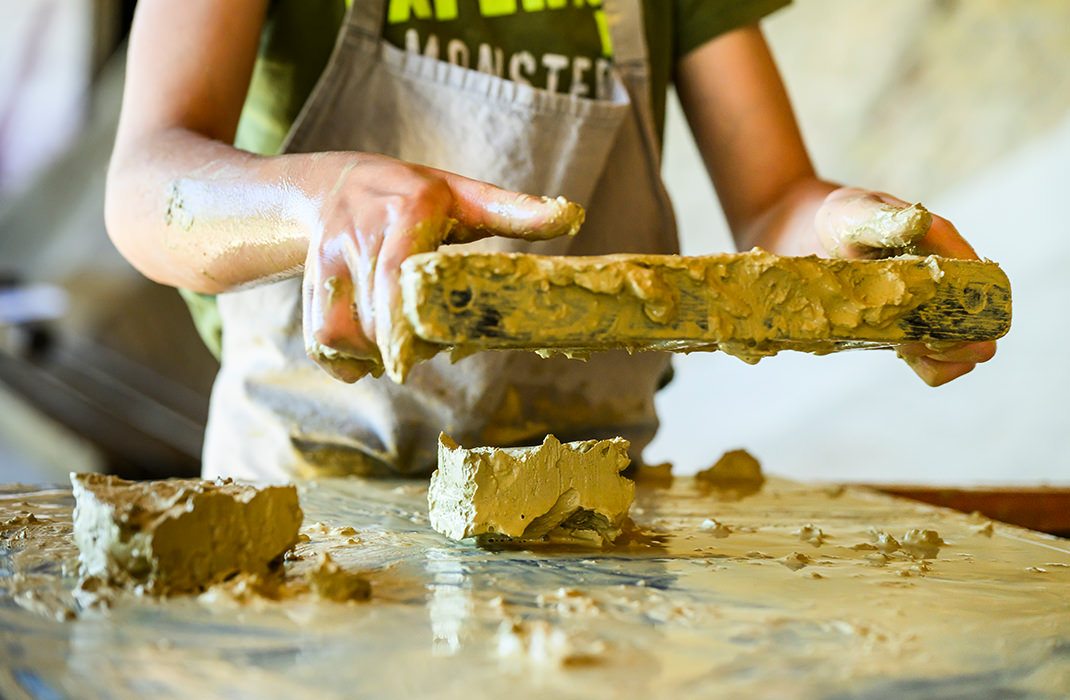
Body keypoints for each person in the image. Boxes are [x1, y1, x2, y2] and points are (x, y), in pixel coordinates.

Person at [104, 0, 995, 481]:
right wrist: (318, 202)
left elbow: (774, 203)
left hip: (588, 500)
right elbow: (145, 182)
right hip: (307, 489)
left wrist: (847, 241)